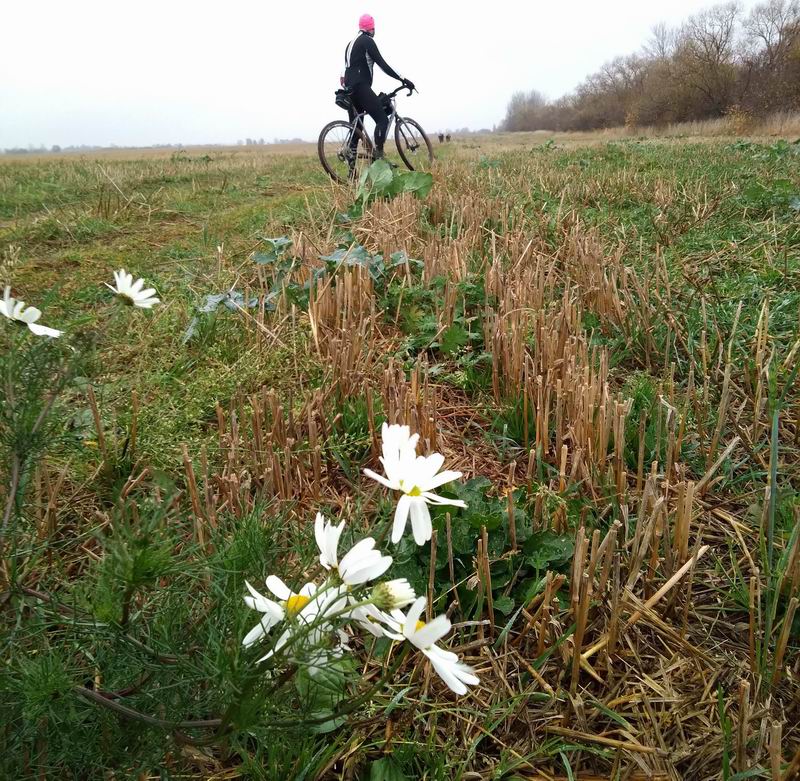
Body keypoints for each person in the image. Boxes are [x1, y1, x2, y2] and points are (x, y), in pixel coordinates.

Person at [343, 13, 414, 164]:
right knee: (382, 119)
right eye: (374, 28)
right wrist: (403, 79)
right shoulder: (367, 41)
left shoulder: (350, 45)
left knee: (356, 130)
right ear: (371, 28)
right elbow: (383, 64)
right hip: (361, 86)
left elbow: (346, 71)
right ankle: (379, 159)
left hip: (349, 90)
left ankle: (351, 173)